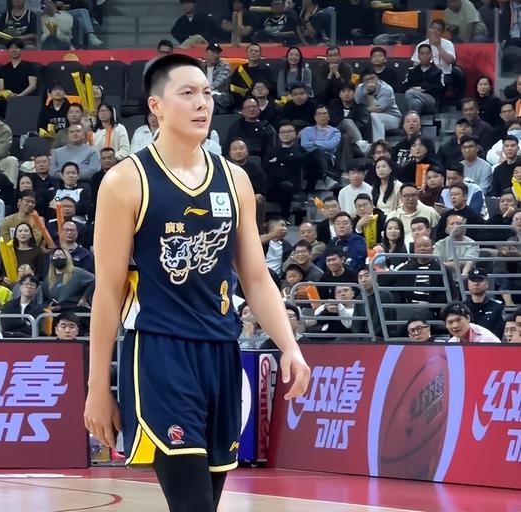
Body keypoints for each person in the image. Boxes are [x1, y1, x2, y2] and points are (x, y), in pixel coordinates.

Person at [84, 54, 310, 512]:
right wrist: (97, 386)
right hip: (160, 350)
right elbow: (107, 291)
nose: (202, 103)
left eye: (206, 93)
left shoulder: (235, 179)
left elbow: (255, 277)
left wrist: (290, 346)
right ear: (156, 106)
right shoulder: (125, 181)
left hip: (222, 351)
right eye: (187, 93)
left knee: (207, 499)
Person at [355, 70, 401, 142]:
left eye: (372, 78)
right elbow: (356, 106)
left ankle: (379, 143)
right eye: (367, 79)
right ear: (363, 81)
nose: (370, 82)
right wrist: (365, 110)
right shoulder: (360, 88)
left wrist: (370, 93)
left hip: (392, 117)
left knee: (374, 115)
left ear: (377, 78)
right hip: (368, 118)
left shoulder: (387, 89)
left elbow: (377, 109)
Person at [401, 43, 445, 114]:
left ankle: (409, 118)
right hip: (416, 99)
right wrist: (414, 89)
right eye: (422, 53)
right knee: (416, 103)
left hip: (431, 100)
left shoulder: (438, 71)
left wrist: (422, 88)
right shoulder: (412, 71)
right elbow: (403, 86)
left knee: (409, 92)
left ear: (431, 55)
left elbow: (441, 88)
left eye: (427, 53)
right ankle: (414, 118)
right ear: (418, 56)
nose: (425, 56)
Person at [464, 268, 505, 338]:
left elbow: (498, 334)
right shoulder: (462, 308)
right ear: (468, 284)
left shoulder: (497, 308)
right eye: (473, 280)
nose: (476, 283)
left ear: (487, 284)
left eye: (480, 280)